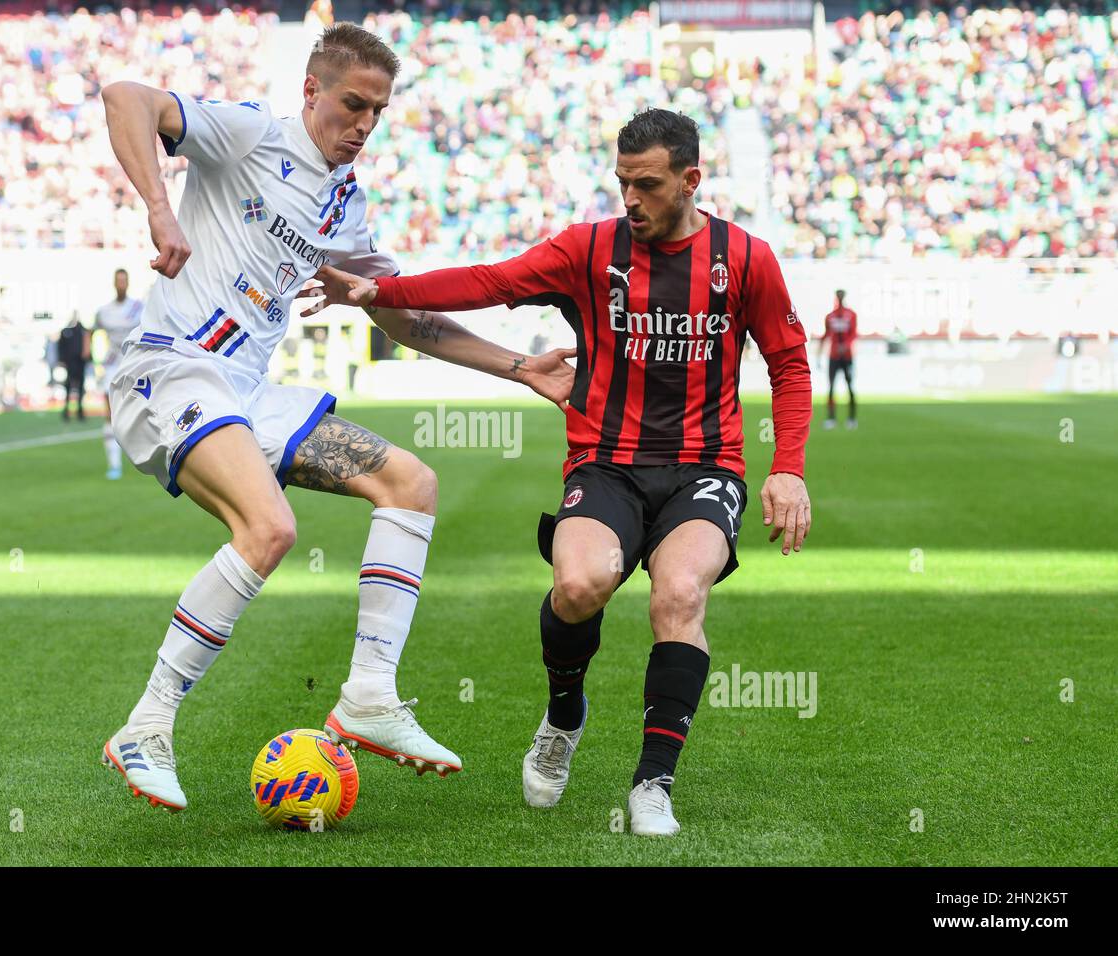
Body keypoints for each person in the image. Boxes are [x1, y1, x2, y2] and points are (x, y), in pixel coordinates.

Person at [97, 22, 575, 812]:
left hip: (245, 395)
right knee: (270, 528)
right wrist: (159, 206)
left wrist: (521, 368)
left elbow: (406, 317)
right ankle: (146, 726)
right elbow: (126, 97)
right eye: (353, 104)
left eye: (378, 113)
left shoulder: (343, 206)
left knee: (411, 483)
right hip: (170, 369)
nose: (363, 125)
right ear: (312, 90)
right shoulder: (251, 134)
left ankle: (368, 697)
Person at [303, 109, 813, 836]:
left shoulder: (747, 259)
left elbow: (790, 365)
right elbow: (490, 279)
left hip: (706, 467)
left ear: (691, 180)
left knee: (678, 594)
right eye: (622, 183)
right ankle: (564, 713)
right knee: (578, 586)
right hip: (605, 461)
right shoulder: (590, 250)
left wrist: (786, 468)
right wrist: (382, 291)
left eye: (647, 184)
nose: (630, 199)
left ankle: (652, 785)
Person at [94, 268, 144, 478]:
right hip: (112, 366)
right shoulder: (104, 311)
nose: (121, 284)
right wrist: (87, 354)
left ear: (128, 283)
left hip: (133, 365)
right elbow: (92, 330)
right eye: (118, 281)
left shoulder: (139, 308)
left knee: (141, 412)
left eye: (124, 280)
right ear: (114, 283)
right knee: (109, 414)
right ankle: (114, 465)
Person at [819, 289, 857, 429]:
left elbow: (853, 334)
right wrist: (819, 350)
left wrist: (846, 346)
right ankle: (831, 418)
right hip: (834, 357)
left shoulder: (851, 315)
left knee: (850, 387)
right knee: (831, 388)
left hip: (847, 357)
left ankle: (852, 418)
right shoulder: (830, 316)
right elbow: (826, 334)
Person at [57, 314, 91, 421]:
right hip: (70, 363)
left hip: (80, 363)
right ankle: (67, 410)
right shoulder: (66, 331)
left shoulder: (84, 331)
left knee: (80, 387)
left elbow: (88, 346)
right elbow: (61, 347)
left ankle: (79, 411)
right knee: (69, 387)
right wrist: (62, 360)